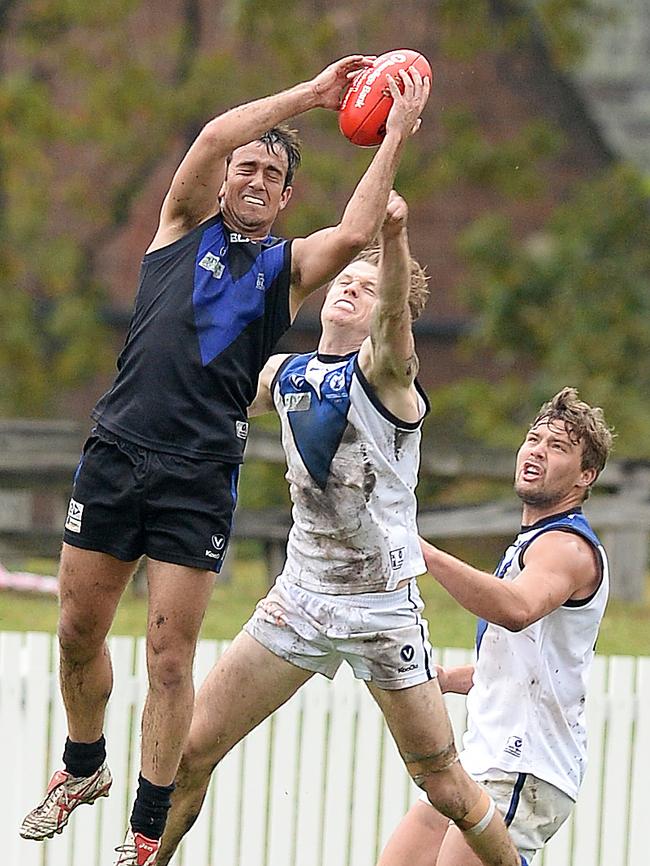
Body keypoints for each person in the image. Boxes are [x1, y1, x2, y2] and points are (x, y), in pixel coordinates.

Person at [19, 56, 431, 865]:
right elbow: (212, 133)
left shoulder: (287, 269)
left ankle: (145, 827)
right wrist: (313, 97)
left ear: (283, 200)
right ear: (222, 180)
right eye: (247, 164)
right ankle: (83, 766)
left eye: (273, 173)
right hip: (116, 451)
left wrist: (397, 135)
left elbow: (353, 232)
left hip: (199, 473)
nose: (254, 174)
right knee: (77, 632)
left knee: (170, 658)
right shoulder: (178, 227)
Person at [153, 190, 523, 866]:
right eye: (343, 280)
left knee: (444, 787)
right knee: (187, 756)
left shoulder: (387, 376)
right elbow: (204, 380)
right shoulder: (286, 374)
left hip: (381, 610)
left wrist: (396, 234)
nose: (349, 288)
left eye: (366, 285)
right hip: (300, 600)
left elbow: (392, 330)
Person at [377, 387, 614, 866]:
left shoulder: (566, 546)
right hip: (483, 760)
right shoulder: (530, 543)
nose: (537, 452)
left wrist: (422, 551)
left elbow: (515, 608)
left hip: (524, 765)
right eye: (534, 439)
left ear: (585, 477)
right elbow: (518, 665)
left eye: (558, 447)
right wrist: (448, 679)